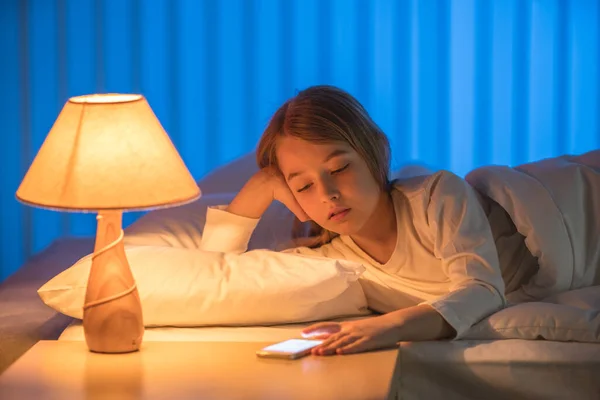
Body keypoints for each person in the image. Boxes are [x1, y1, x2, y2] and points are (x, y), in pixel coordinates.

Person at [200, 85, 510, 356]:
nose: (327, 194)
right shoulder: (332, 264)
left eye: (338, 169)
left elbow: (483, 289)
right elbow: (215, 282)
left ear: (374, 152)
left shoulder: (436, 198)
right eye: (304, 186)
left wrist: (388, 327)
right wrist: (261, 186)